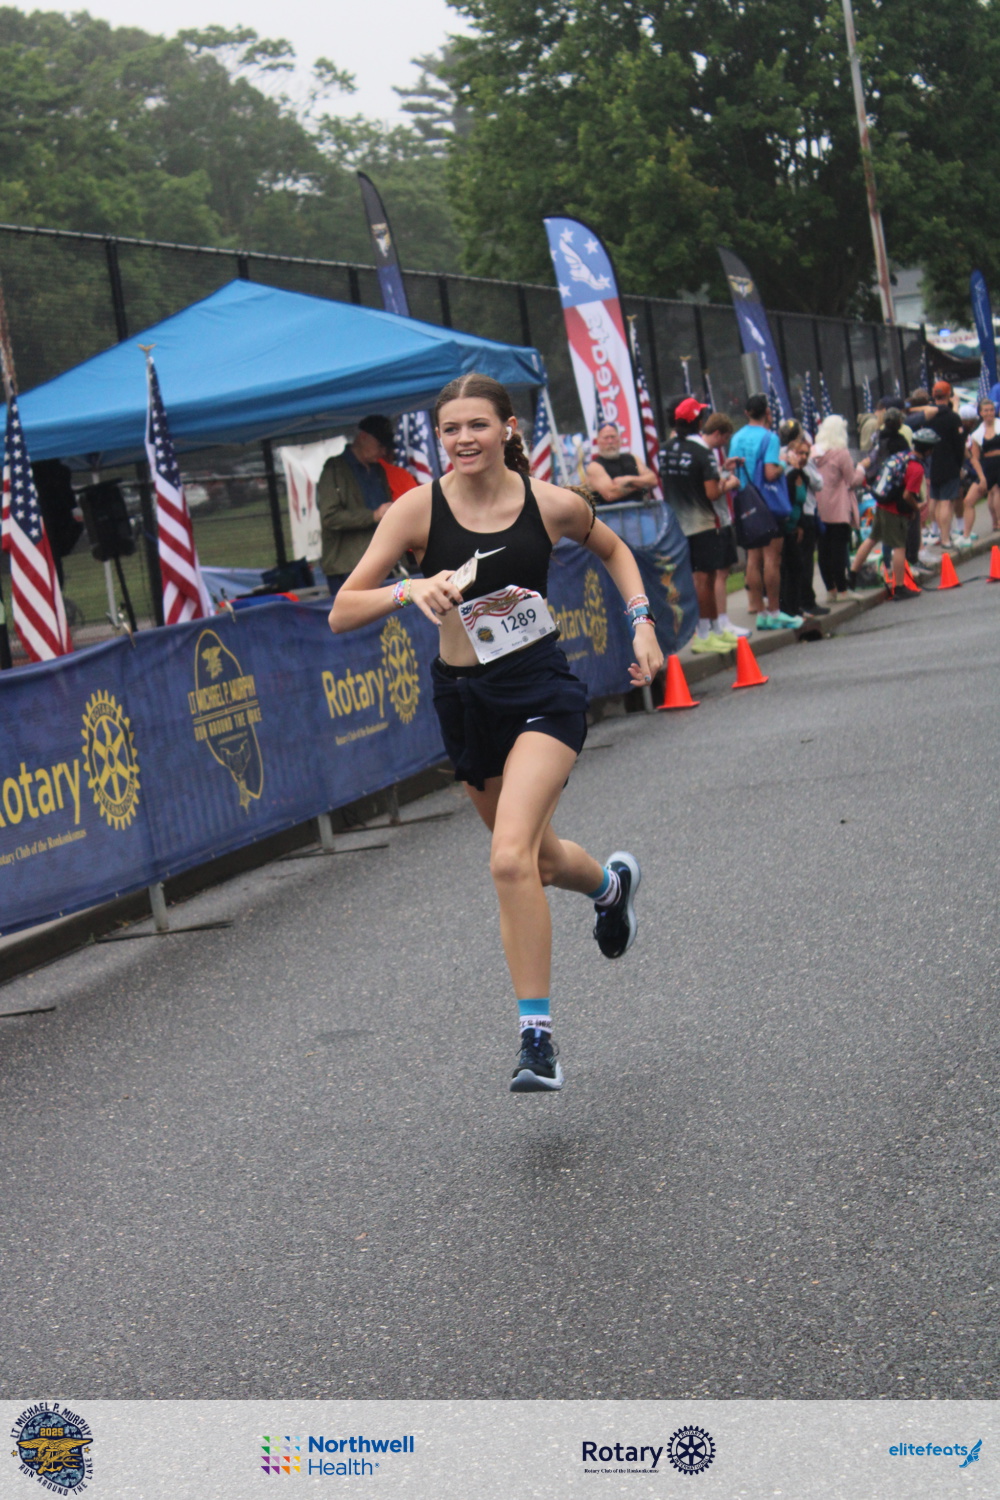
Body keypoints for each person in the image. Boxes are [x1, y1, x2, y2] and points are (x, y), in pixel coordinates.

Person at [329, 373, 663, 1094]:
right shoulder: (417, 510)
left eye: (477, 425)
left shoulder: (550, 503)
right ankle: (610, 888)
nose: (464, 439)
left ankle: (536, 1042)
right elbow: (342, 608)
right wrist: (408, 588)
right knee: (537, 860)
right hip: (464, 699)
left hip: (541, 691)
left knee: (509, 860)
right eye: (450, 429)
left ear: (508, 428)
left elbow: (614, 550)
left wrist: (641, 623)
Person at [660, 397, 739, 653]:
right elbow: (712, 493)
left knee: (700, 578)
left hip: (676, 524)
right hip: (702, 522)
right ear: (698, 422)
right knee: (705, 578)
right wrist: (728, 483)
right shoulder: (702, 451)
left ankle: (713, 630)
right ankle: (705, 633)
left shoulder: (665, 449)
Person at [728, 394, 801, 630]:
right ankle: (774, 611)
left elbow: (732, 470)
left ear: (746, 413)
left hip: (744, 501)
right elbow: (770, 472)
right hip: (767, 504)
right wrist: (784, 463)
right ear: (767, 413)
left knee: (753, 558)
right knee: (772, 559)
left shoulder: (736, 438)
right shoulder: (770, 438)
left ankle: (759, 611)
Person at [849, 410, 925, 598]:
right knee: (899, 545)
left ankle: (852, 575)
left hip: (881, 495)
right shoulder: (900, 443)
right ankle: (899, 586)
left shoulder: (878, 439)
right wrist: (915, 507)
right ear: (899, 422)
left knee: (872, 538)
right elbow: (906, 476)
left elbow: (872, 461)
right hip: (895, 501)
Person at [317, 415, 397, 594]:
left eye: (386, 446)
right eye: (380, 445)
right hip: (347, 567)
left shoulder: (378, 470)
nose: (383, 451)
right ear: (363, 437)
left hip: (381, 562)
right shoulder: (334, 469)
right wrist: (373, 516)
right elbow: (330, 517)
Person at [701, 411, 751, 638]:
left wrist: (725, 468)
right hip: (716, 519)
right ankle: (720, 621)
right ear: (719, 434)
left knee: (719, 572)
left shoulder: (708, 454)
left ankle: (717, 622)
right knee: (719, 573)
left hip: (715, 519)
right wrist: (730, 483)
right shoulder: (705, 454)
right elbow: (713, 488)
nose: (724, 444)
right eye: (725, 438)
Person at [811, 415, 863, 601]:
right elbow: (852, 480)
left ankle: (830, 590)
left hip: (818, 506)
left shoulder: (813, 452)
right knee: (839, 550)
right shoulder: (841, 453)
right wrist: (861, 469)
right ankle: (843, 590)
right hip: (838, 507)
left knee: (823, 550)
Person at [585, 422, 659, 503]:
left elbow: (653, 480)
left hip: (641, 509)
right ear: (598, 441)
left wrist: (628, 480)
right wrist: (639, 485)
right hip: (612, 510)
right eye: (606, 438)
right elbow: (610, 494)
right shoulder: (594, 467)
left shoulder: (633, 458)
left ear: (620, 439)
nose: (610, 441)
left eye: (613, 437)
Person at [965, 397, 1000, 534]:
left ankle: (998, 522)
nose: (989, 413)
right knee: (972, 498)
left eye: (991, 410)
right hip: (988, 466)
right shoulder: (977, 433)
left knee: (996, 490)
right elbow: (975, 457)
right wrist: (981, 476)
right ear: (980, 413)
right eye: (986, 410)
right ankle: (967, 533)